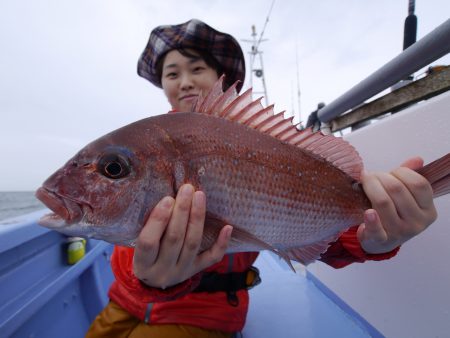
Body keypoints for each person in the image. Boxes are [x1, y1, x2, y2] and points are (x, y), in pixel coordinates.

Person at [85, 19, 437, 338]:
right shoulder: (145, 147)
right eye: (172, 74)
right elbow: (124, 241)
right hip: (124, 301)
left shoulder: (250, 140)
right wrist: (146, 280)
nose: (186, 81)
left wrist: (372, 236)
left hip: (204, 315)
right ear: (162, 84)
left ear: (220, 75)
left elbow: (313, 227)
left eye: (197, 68)